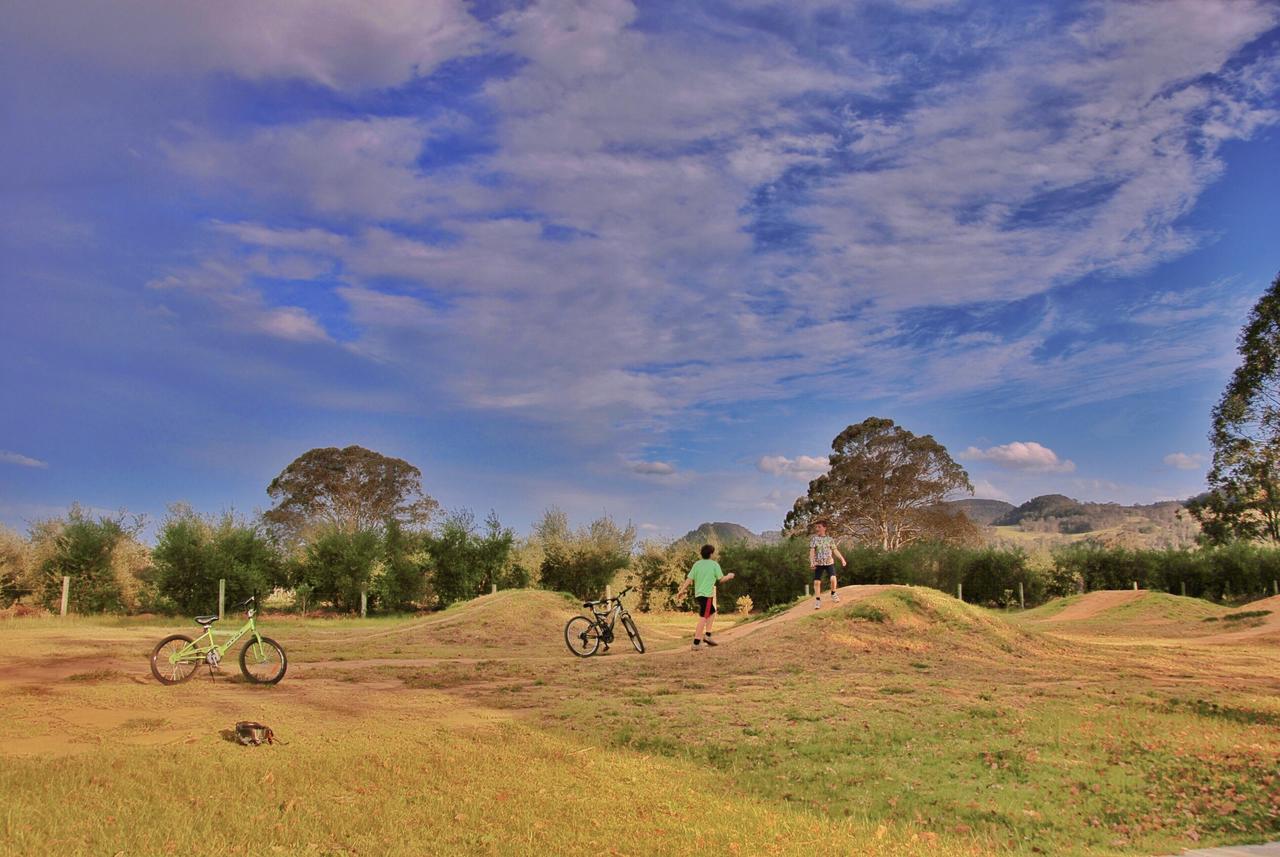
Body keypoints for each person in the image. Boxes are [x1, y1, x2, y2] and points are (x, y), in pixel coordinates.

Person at [675, 544, 735, 650]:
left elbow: (689, 579)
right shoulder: (714, 564)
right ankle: (696, 643)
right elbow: (721, 579)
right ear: (711, 554)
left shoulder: (697, 564)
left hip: (699, 595)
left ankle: (708, 636)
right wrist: (729, 576)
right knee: (704, 617)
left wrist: (681, 591)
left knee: (712, 612)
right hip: (707, 595)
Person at [809, 520, 846, 609]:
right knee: (817, 582)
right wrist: (812, 562)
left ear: (824, 528)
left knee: (833, 579)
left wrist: (842, 559)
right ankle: (817, 600)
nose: (817, 529)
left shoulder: (830, 539)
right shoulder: (814, 539)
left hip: (829, 562)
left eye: (819, 527)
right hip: (819, 564)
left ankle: (833, 593)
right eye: (816, 527)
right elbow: (812, 551)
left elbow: (835, 550)